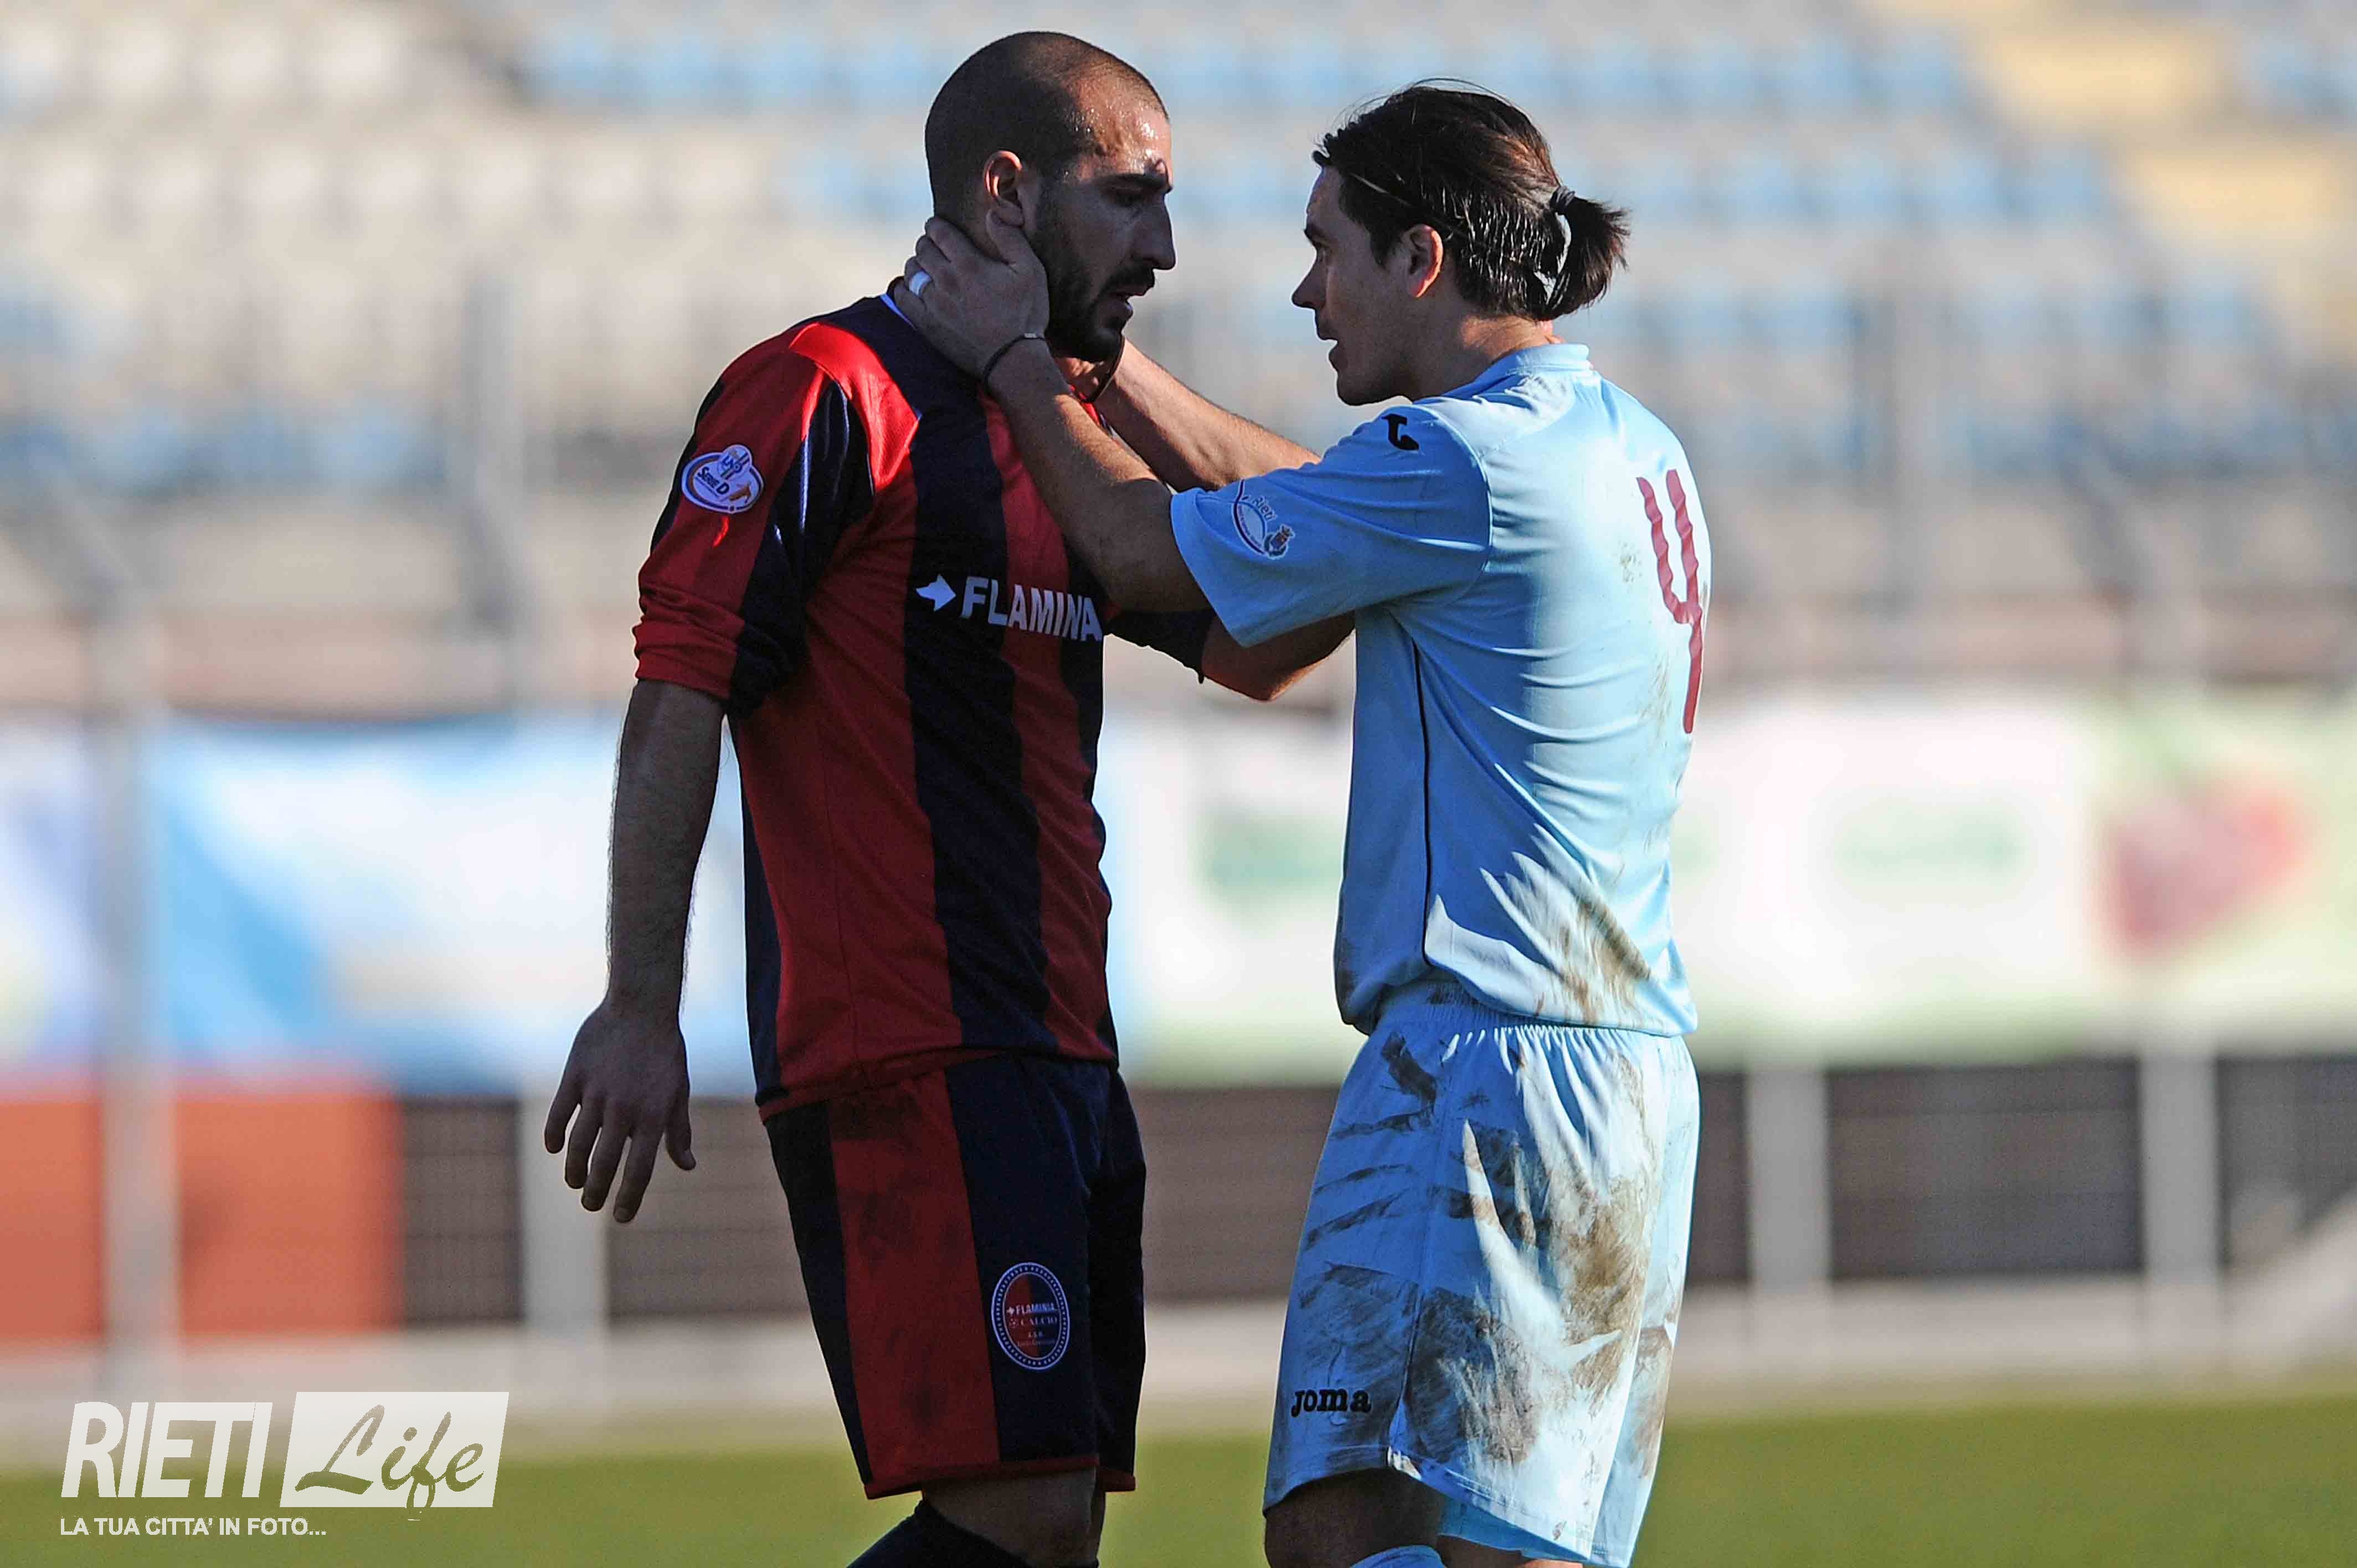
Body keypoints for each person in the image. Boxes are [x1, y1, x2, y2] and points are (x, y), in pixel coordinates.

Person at [539, 33, 1347, 1568]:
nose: (1166, 248)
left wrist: (1089, 362)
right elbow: (680, 687)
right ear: (1007, 191)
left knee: (1055, 1526)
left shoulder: (1060, 430)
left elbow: (1291, 621)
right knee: (1018, 1514)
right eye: (1132, 201)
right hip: (909, 1043)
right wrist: (639, 1002)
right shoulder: (822, 391)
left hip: (1061, 1042)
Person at [893, 83, 1708, 1568]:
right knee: (1363, 1536)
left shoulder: (1468, 465)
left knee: (1458, 1549)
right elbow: (1320, 499)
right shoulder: (1614, 442)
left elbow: (1141, 549)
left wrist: (1012, 361)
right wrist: (1099, 366)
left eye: (1329, 248)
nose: (1302, 288)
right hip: (1547, 1070)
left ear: (1421, 260)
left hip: (1504, 1074)